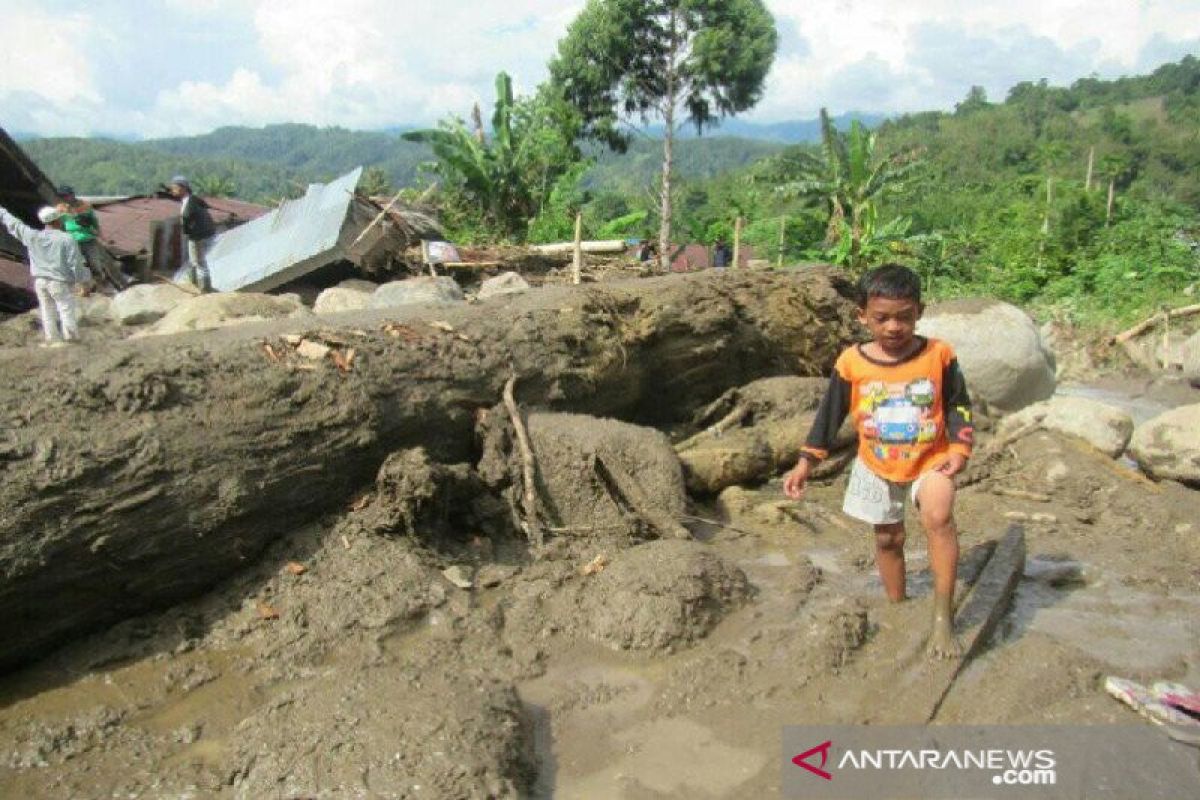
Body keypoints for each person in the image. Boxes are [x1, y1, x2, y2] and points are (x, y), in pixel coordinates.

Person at [783, 263, 974, 659]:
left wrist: (959, 449)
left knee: (938, 516)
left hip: (931, 458)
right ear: (862, 316)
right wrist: (806, 462)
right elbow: (829, 416)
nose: (893, 328)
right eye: (882, 318)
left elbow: (958, 406)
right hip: (876, 463)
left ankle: (943, 618)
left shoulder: (939, 355)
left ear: (919, 311)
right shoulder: (852, 362)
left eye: (904, 317)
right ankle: (898, 604)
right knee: (889, 538)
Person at [0, 204, 92, 346]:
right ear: (57, 221)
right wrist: (83, 283)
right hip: (59, 281)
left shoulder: (32, 236)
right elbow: (76, 264)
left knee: (46, 310)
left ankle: (52, 339)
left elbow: (14, 224)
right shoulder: (67, 239)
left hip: (40, 281)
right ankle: (71, 338)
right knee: (65, 308)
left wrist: (2, 211)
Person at [56, 185, 127, 291]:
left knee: (95, 264)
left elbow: (94, 223)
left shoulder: (84, 205)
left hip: (88, 239)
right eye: (63, 196)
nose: (65, 198)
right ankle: (83, 288)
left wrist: (102, 237)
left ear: (72, 195)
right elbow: (58, 225)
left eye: (66, 196)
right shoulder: (60, 209)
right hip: (72, 241)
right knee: (76, 266)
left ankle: (101, 286)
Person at [167, 176, 217, 293]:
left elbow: (190, 220)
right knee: (194, 261)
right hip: (197, 236)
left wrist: (189, 232)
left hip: (197, 237)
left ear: (183, 188)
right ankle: (196, 284)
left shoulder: (191, 203)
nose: (173, 191)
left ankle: (205, 288)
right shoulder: (192, 200)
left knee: (199, 262)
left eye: (175, 188)